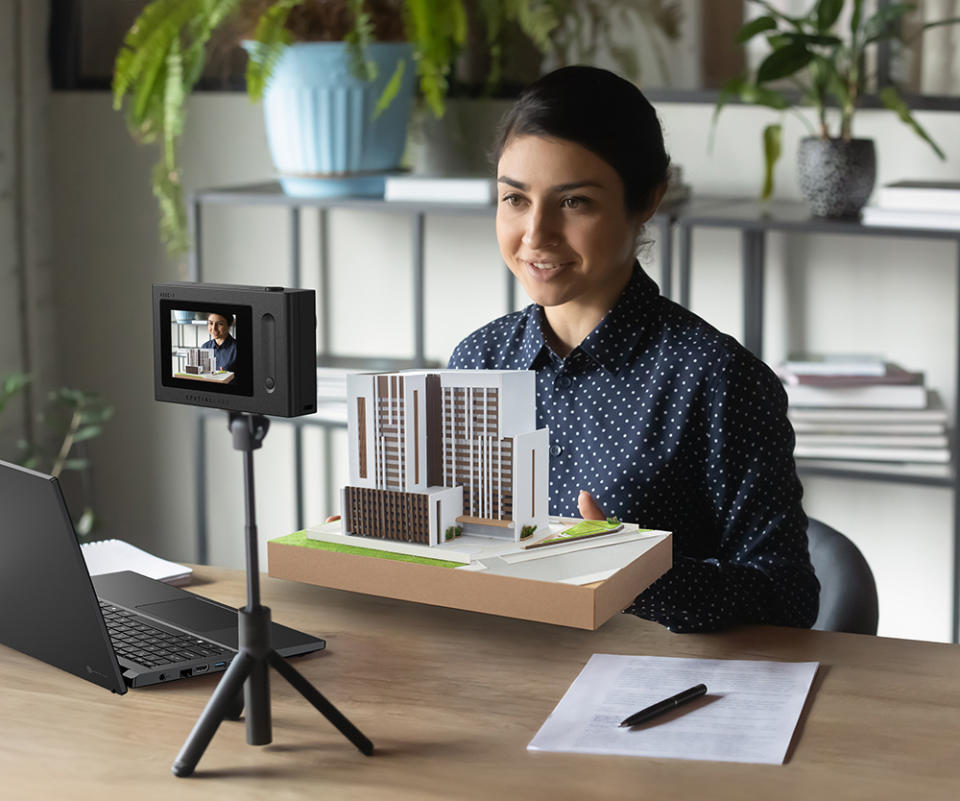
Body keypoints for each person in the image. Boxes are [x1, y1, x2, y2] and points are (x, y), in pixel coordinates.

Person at [447, 66, 819, 633]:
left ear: (646, 199)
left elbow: (787, 599)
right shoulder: (478, 361)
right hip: (498, 674)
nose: (535, 234)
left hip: (657, 690)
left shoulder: (716, 378)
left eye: (574, 203)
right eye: (515, 200)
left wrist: (635, 573)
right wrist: (389, 540)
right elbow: (459, 555)